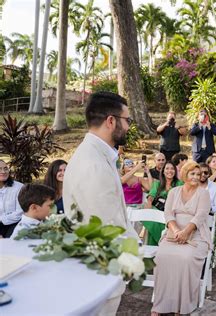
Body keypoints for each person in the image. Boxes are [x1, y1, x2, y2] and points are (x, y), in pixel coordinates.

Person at [63, 91, 138, 315]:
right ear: (111, 121)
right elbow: (108, 228)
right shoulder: (94, 165)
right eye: (127, 120)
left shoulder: (95, 155)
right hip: (101, 274)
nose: (129, 127)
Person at [151, 161, 211, 315]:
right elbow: (168, 214)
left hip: (196, 236)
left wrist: (186, 232)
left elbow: (200, 216)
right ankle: (160, 304)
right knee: (162, 256)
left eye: (199, 174)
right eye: (193, 174)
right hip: (173, 234)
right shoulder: (174, 192)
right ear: (185, 175)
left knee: (186, 259)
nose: (197, 177)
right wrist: (177, 231)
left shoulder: (203, 193)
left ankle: (182, 305)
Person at [145, 162, 184, 245]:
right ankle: (159, 242)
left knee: (156, 221)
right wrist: (149, 203)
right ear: (163, 171)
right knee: (150, 215)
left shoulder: (179, 184)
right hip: (159, 209)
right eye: (167, 168)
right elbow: (151, 196)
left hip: (172, 211)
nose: (170, 171)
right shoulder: (157, 183)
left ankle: (161, 243)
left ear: (175, 171)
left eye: (172, 169)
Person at [0, 159, 23, 238]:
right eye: (0, 169)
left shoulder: (19, 187)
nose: (3, 171)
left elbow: (20, 212)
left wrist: (1, 220)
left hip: (16, 223)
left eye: (5, 168)